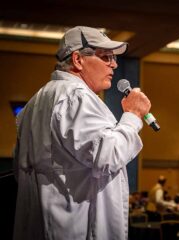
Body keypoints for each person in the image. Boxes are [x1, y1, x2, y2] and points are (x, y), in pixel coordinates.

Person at [13, 26, 151, 240]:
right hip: (76, 228)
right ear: (78, 60)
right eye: (106, 57)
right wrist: (132, 116)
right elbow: (107, 156)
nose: (114, 64)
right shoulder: (75, 96)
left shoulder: (36, 101)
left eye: (113, 58)